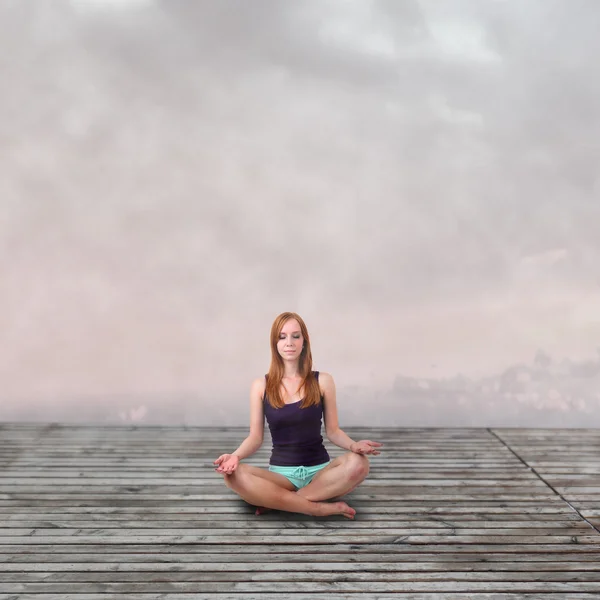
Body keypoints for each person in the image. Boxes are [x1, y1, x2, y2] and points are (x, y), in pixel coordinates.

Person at [214, 311, 382, 519]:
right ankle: (317, 508)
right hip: (281, 476)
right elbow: (255, 438)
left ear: (304, 341)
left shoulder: (323, 381)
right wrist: (235, 456)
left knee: (360, 463)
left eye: (296, 336)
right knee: (233, 476)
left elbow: (333, 431)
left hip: (320, 473)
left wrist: (353, 445)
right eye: (282, 337)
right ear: (275, 343)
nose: (289, 343)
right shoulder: (261, 385)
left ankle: (279, 502)